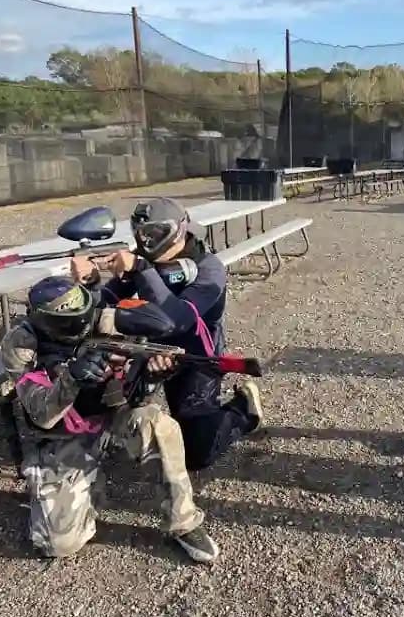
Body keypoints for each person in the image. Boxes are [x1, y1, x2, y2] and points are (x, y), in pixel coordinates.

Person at [1, 275, 220, 563]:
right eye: (70, 322)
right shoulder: (21, 344)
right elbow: (42, 415)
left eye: (85, 314)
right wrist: (73, 377)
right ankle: (83, 491)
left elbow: (138, 399)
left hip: (114, 415)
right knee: (58, 544)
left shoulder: (108, 322)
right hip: (64, 435)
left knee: (159, 425)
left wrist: (151, 378)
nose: (83, 324)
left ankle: (183, 522)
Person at [70, 197, 263, 471]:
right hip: (149, 351)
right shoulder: (144, 259)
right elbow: (106, 302)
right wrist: (90, 283)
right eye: (140, 234)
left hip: (194, 356)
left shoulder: (209, 269)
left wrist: (141, 270)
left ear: (179, 231)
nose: (146, 243)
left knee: (198, 453)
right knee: (89, 388)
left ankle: (243, 410)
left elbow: (177, 320)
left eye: (154, 234)